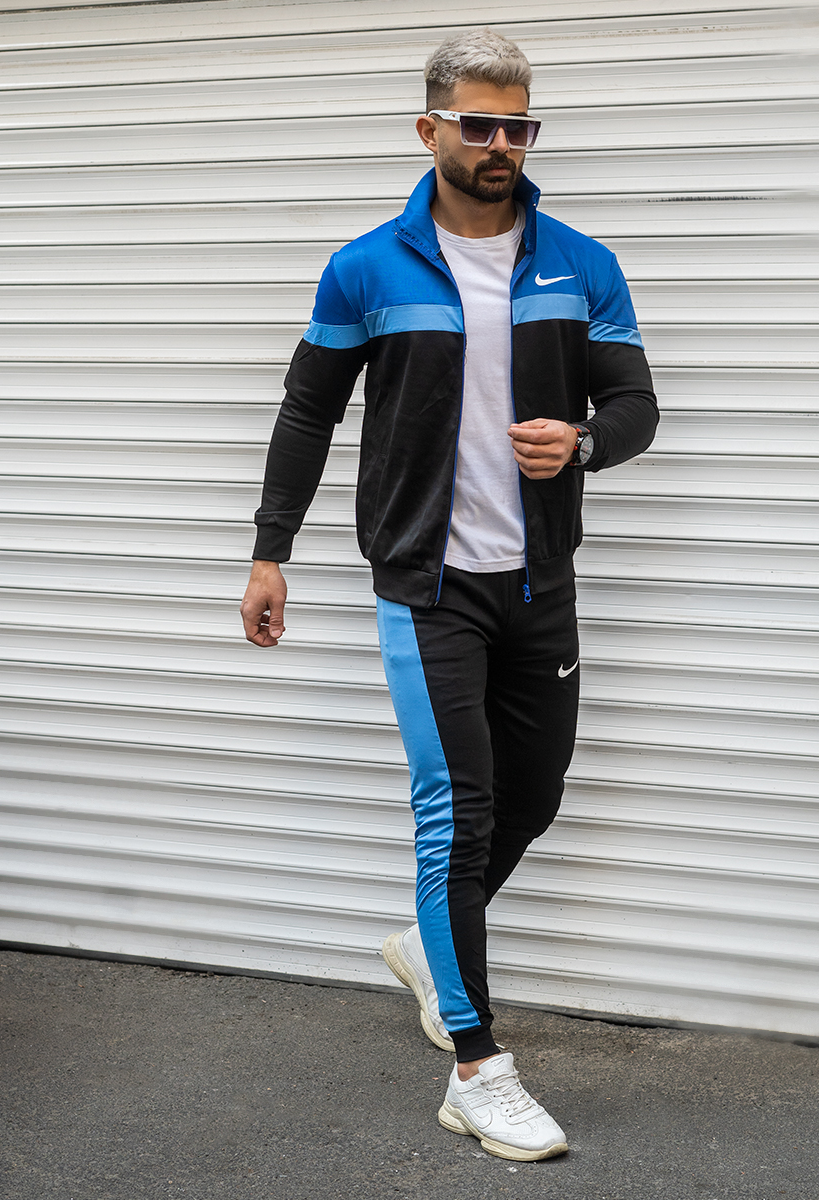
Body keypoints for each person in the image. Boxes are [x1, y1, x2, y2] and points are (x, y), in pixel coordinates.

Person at [241, 27, 658, 1161]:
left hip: (540, 582)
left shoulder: (581, 263)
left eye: (519, 126)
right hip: (427, 589)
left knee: (535, 797)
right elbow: (307, 412)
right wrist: (271, 550)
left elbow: (636, 405)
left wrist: (582, 442)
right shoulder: (367, 268)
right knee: (457, 815)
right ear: (430, 129)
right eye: (479, 124)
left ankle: (433, 950)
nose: (500, 145)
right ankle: (478, 1068)